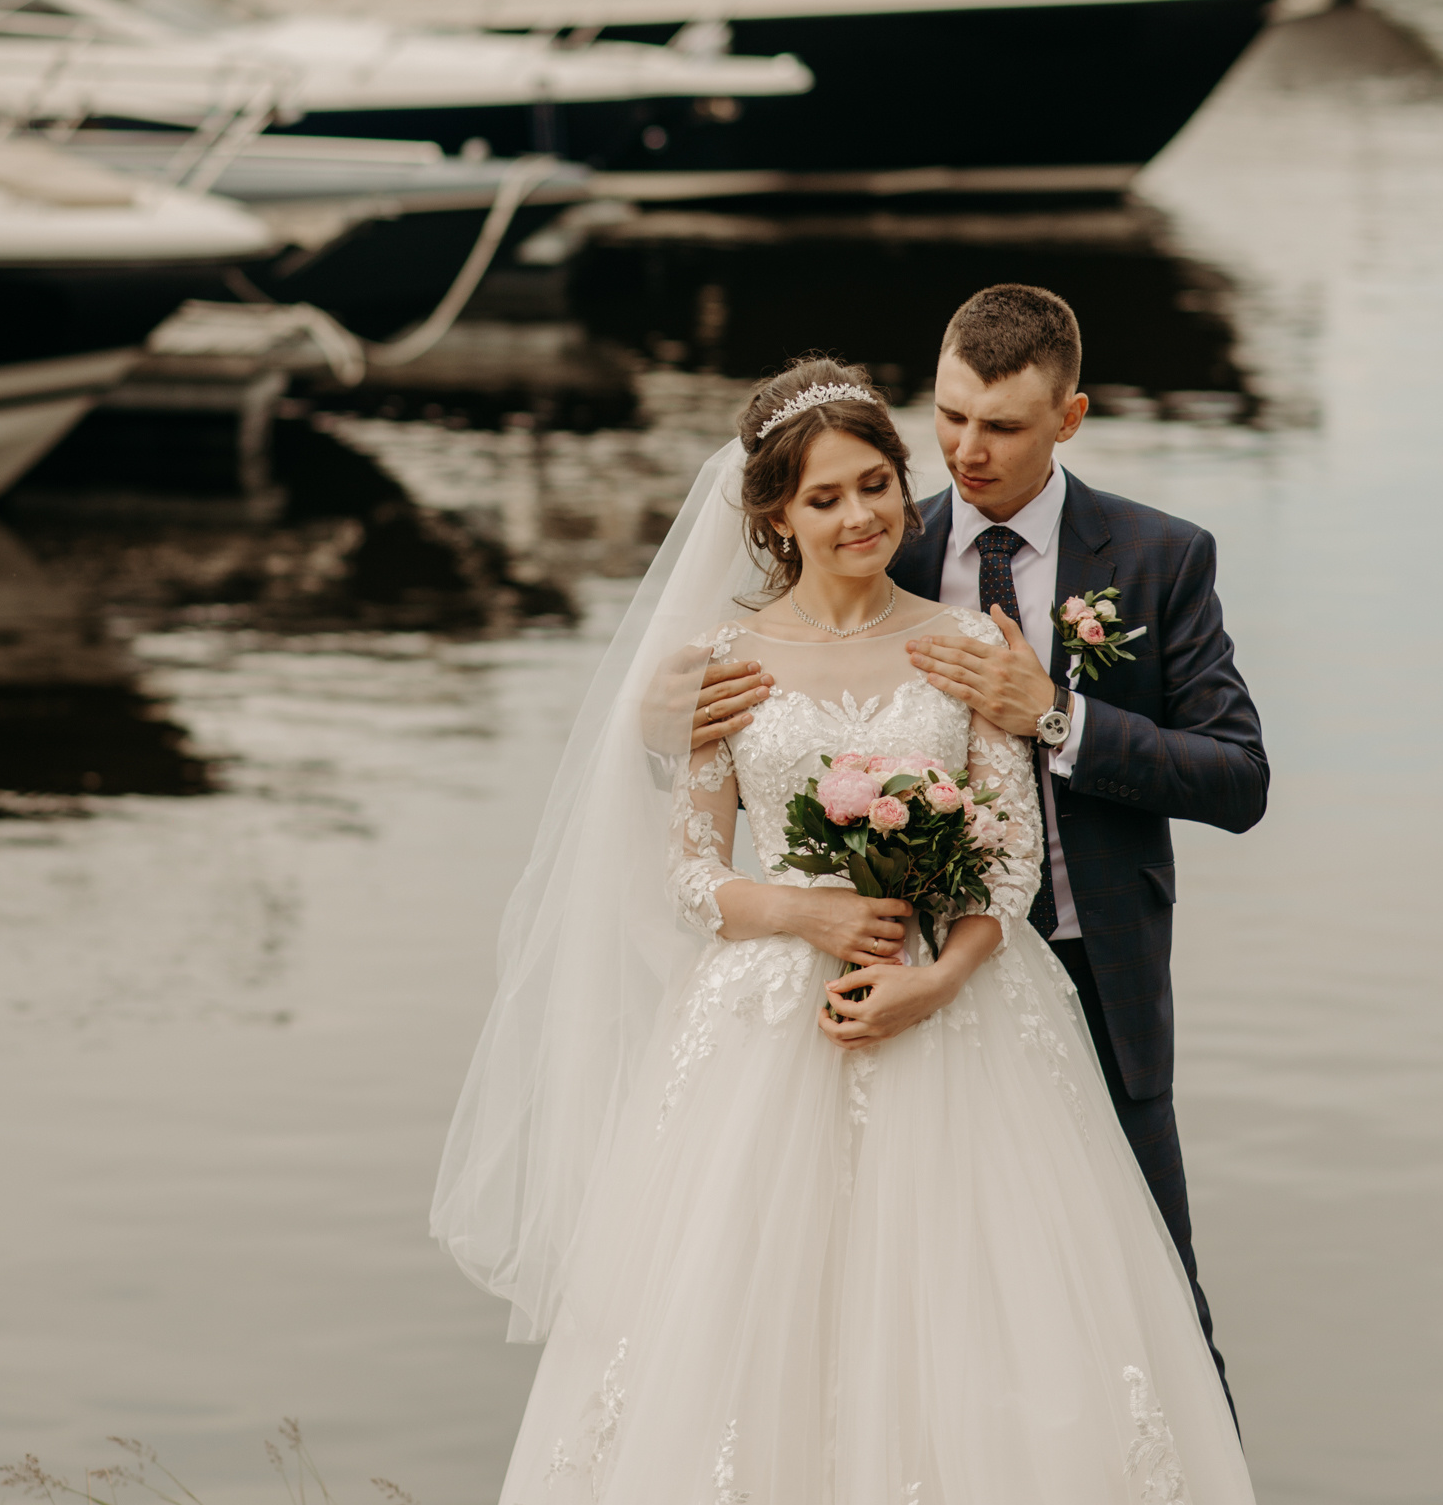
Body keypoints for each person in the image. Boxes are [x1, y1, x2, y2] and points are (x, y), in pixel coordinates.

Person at [433, 351, 1256, 1502]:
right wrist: (800, 905)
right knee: (751, 1317)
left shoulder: (969, 640)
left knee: (1033, 1318)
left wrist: (936, 977)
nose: (866, 512)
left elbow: (1010, 862)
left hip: (971, 1014)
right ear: (772, 514)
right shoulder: (727, 661)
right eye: (825, 497)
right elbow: (690, 869)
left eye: (877, 484)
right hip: (769, 1026)